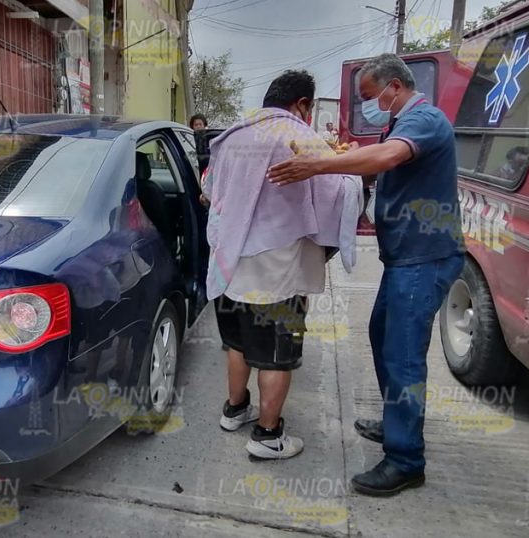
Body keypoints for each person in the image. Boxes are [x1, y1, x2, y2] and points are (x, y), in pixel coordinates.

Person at [267, 54, 465, 495]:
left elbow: (391, 158)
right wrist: (346, 159)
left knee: (404, 355)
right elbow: (381, 160)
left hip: (424, 256)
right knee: (382, 337)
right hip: (403, 257)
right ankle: (397, 423)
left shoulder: (425, 120)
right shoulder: (398, 123)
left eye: (370, 97)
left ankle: (406, 458)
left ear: (395, 87)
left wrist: (317, 165)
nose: (368, 106)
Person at [204, 70, 361, 461]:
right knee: (277, 353)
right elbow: (336, 197)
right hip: (275, 266)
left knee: (237, 342)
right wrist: (355, 172)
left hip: (227, 261)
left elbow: (207, 190)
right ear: (303, 105)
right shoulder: (300, 138)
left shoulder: (232, 136)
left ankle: (235, 410)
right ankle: (268, 436)